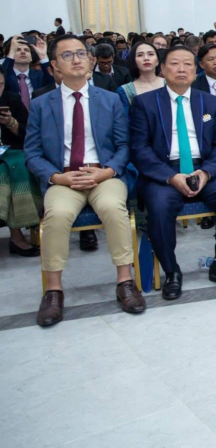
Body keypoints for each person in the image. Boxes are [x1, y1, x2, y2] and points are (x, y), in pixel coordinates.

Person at [25, 35, 146, 327]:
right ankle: (53, 290)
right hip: (63, 177)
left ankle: (125, 281)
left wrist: (107, 171)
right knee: (56, 214)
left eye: (81, 53)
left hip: (103, 174)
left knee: (113, 209)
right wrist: (57, 177)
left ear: (90, 60)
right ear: (55, 65)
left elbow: (124, 145)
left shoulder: (110, 99)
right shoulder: (41, 104)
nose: (77, 59)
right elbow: (32, 152)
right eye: (67, 55)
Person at [129, 47, 216, 299]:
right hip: (164, 171)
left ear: (195, 69)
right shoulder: (145, 103)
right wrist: (170, 177)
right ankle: (172, 271)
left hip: (204, 167)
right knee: (159, 207)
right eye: (175, 64)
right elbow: (139, 149)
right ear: (163, 69)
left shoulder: (209, 101)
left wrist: (207, 172)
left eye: (187, 64)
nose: (181, 69)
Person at [0, 71, 38, 257]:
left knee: (16, 167)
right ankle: (16, 236)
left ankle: (17, 233)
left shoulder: (12, 99)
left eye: (0, 85)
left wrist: (11, 123)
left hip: (11, 151)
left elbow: (28, 135)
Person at [116, 42, 164, 117]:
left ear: (157, 61)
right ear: (133, 61)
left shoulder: (171, 84)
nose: (146, 58)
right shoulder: (125, 91)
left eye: (151, 54)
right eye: (140, 55)